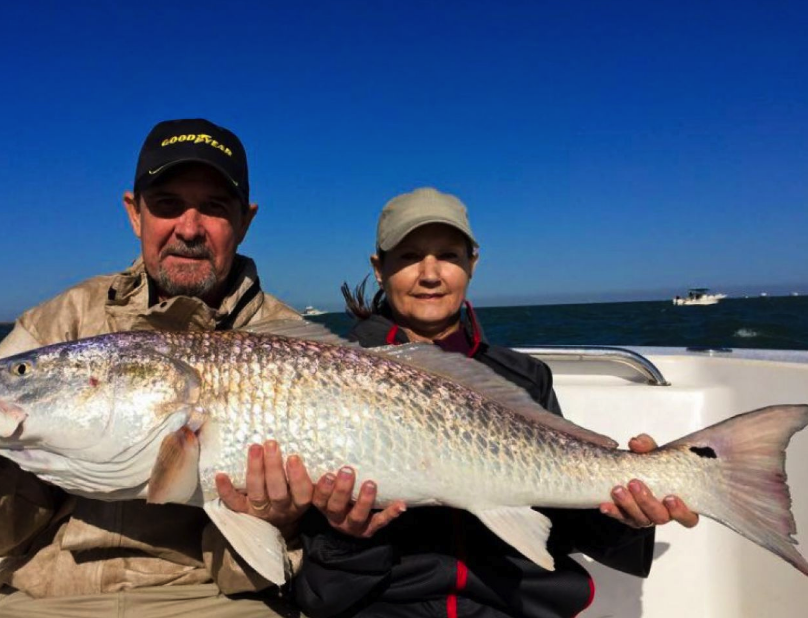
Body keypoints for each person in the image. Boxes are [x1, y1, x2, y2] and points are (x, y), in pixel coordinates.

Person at [0, 119, 314, 617]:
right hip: (47, 598)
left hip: (215, 598)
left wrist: (277, 522)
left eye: (215, 207)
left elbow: (271, 572)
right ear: (135, 213)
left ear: (245, 222)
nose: (189, 228)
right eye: (167, 204)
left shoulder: (292, 343)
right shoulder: (60, 322)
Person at [294, 187, 700, 618]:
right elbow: (321, 589)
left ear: (472, 263)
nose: (429, 274)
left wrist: (628, 514)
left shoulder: (524, 376)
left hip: (511, 604)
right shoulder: (323, 372)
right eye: (409, 256)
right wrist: (345, 537)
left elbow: (560, 516)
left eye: (448, 255)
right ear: (379, 269)